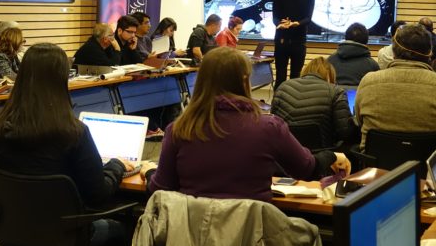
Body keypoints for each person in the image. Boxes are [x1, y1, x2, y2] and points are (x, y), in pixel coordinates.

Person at [0, 43, 133, 246]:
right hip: (66, 239)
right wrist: (116, 166)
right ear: (61, 78)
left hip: (13, 235)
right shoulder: (72, 132)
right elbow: (97, 194)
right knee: (128, 231)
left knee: (67, 215)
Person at [139, 47, 351, 202]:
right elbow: (306, 169)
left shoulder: (179, 129)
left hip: (191, 243)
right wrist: (333, 156)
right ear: (243, 80)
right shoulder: (268, 127)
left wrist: (148, 171)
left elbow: (160, 189)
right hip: (251, 245)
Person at [355, 24, 436, 150]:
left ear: (394, 52)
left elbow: (360, 121)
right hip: (428, 167)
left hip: (374, 164)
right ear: (429, 54)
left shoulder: (368, 81)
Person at [271, 57, 356, 149]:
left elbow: (273, 121)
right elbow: (345, 132)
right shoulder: (336, 91)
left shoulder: (283, 86)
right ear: (330, 75)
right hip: (320, 152)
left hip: (286, 149)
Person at [272, 0, 315, 89]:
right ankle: (277, 105)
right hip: (281, 40)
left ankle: (292, 106)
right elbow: (275, 17)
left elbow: (308, 18)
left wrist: (297, 23)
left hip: (299, 41)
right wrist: (280, 24)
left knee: (295, 77)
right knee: (280, 76)